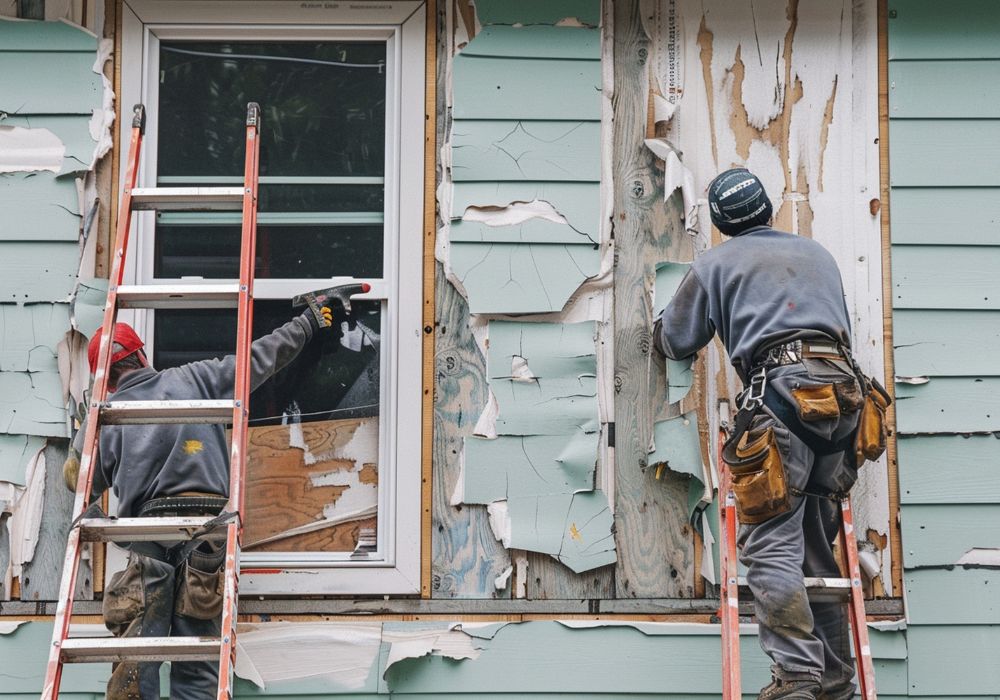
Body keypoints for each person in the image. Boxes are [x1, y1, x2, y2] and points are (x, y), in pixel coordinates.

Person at [655, 168, 875, 700]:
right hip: (843, 403)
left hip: (780, 399)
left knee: (772, 542)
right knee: (815, 551)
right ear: (768, 208)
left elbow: (676, 340)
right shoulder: (817, 254)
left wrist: (658, 321)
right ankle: (835, 682)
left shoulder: (714, 264)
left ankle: (797, 675)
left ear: (720, 223)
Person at [64, 299, 339, 700]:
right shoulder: (195, 379)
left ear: (105, 381)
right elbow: (261, 357)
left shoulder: (107, 413)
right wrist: (309, 321)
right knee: (197, 665)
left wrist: (88, 424)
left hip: (147, 534)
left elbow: (78, 479)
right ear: (142, 355)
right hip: (205, 532)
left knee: (136, 664)